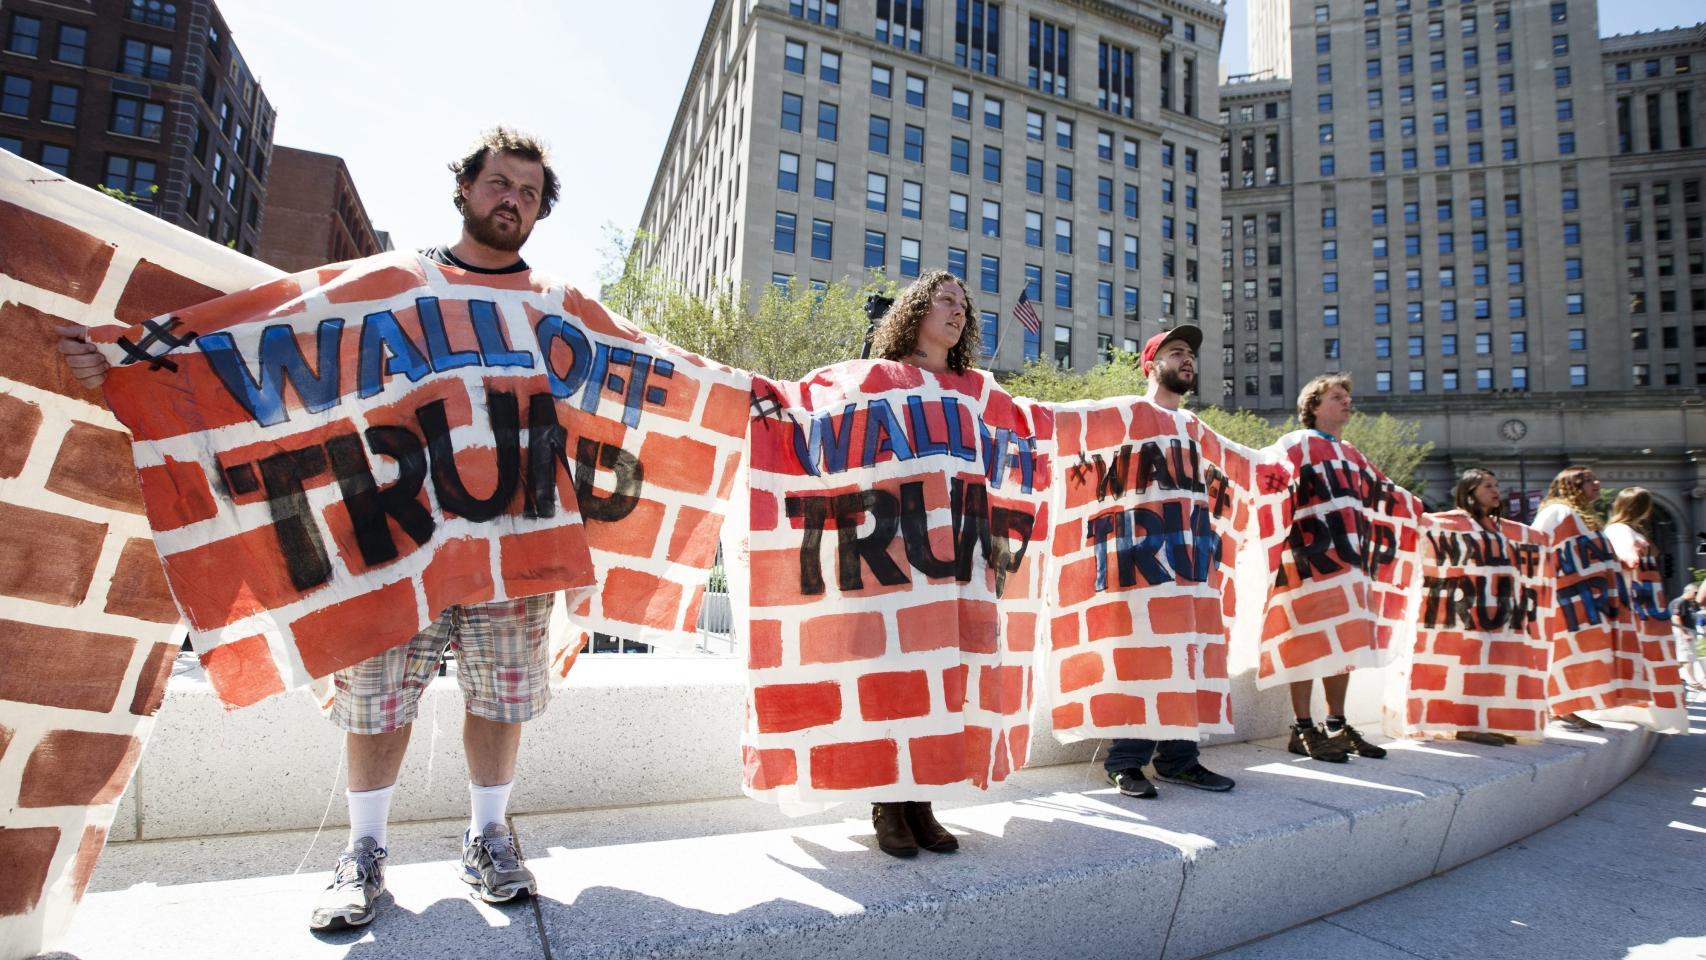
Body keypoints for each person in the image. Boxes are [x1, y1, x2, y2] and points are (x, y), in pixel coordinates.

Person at [58, 127, 565, 929]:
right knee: (377, 701)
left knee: (501, 696)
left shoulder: (555, 305)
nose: (513, 200)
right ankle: (363, 853)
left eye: (529, 193)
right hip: (399, 534)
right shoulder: (395, 282)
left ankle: (490, 835)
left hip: (513, 536)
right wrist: (133, 356)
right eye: (500, 183)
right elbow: (266, 327)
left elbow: (654, 374)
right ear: (465, 190)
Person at [859, 270, 981, 857]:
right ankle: (888, 800)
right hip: (891, 549)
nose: (957, 312)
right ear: (914, 311)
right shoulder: (879, 377)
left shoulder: (975, 389)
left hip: (950, 555)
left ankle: (921, 799)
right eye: (946, 301)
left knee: (938, 676)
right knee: (895, 675)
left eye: (964, 305)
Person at [1101, 325, 1236, 799]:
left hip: (1189, 562)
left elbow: (1243, 466)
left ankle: (1180, 760)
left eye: (1192, 355)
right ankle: (1125, 761)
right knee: (1148, 658)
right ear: (1150, 364)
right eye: (1176, 352)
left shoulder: (1197, 429)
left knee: (1187, 655)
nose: (1188, 360)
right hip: (1143, 561)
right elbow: (1062, 427)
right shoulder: (1126, 414)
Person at [1275, 375, 1387, 763]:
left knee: (1343, 643)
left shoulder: (1353, 454)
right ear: (1314, 406)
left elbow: (1386, 497)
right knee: (1306, 641)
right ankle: (1302, 727)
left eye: (1348, 397)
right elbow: (1268, 483)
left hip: (1347, 564)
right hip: (1308, 558)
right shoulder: (1296, 444)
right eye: (1337, 397)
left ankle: (1336, 724)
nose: (1347, 402)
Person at [1532, 466, 1607, 731]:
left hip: (1582, 600)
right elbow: (1536, 546)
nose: (1596, 482)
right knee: (1562, 652)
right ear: (1570, 486)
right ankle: (1558, 709)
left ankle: (1568, 707)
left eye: (1593, 478)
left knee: (1577, 652)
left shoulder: (1581, 517)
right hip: (1561, 598)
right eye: (1586, 480)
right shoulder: (1556, 513)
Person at [1674, 581, 1706, 692]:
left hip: (1687, 632)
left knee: (1683, 658)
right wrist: (1684, 633)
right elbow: (1676, 617)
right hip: (1683, 632)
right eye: (1695, 592)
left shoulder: (1687, 603)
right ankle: (1693, 681)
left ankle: (1673, 676)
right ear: (1689, 591)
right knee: (1687, 657)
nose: (1696, 594)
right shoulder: (1681, 602)